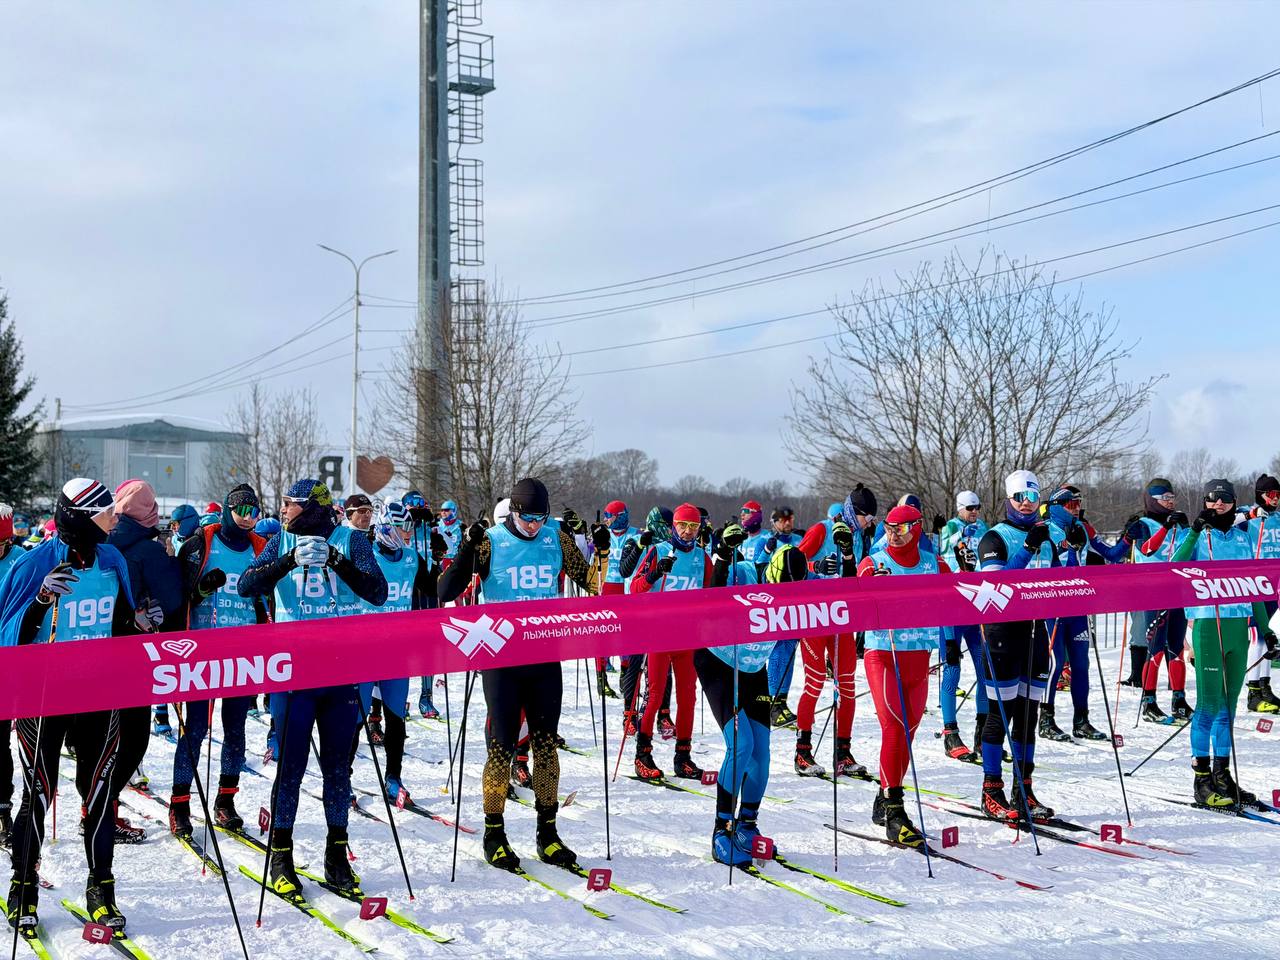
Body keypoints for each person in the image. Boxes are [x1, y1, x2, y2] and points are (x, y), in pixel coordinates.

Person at [0, 479, 163, 936]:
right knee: (38, 792)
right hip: (45, 696)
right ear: (80, 517)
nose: (114, 518)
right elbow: (8, 634)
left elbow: (119, 622)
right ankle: (23, 887)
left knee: (100, 792)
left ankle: (101, 888)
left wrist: (140, 624)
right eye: (105, 512)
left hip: (97, 693)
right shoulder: (35, 563)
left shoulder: (112, 560)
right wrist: (40, 600)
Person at [237, 478, 387, 898]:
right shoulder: (280, 537)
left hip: (341, 671)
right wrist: (286, 562)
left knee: (338, 769)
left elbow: (378, 592)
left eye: (291, 503)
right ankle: (281, 856)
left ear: (313, 508)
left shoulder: (352, 539)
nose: (283, 509)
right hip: (293, 672)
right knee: (291, 766)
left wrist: (336, 560)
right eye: (283, 503)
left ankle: (336, 855)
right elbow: (248, 585)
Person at [438, 477, 593, 872]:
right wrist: (467, 549)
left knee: (545, 748)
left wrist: (599, 549)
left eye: (541, 519)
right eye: (527, 520)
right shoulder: (490, 539)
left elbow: (590, 583)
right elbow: (445, 590)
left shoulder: (555, 538)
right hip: (501, 659)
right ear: (514, 512)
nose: (533, 527)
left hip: (544, 659)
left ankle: (548, 834)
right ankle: (494, 833)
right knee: (501, 748)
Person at [168, 484, 269, 838]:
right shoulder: (200, 544)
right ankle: (180, 803)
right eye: (241, 510)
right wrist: (198, 593)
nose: (247, 518)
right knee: (195, 729)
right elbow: (176, 595)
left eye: (254, 512)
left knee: (236, 729)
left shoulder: (260, 548)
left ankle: (226, 801)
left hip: (242, 652)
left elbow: (268, 596)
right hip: (202, 652)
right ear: (227, 509)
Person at [1172, 479, 1280, 808]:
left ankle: (1222, 774)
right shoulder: (1199, 536)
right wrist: (1193, 531)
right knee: (1207, 705)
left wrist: (1266, 630)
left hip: (1237, 627)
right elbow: (1174, 565)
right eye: (1211, 500)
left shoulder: (1243, 536)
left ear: (1234, 503)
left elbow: (1256, 588)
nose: (1217, 505)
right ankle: (1201, 779)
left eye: (1224, 500)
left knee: (1228, 708)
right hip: (1208, 625)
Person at [859, 504, 952, 845]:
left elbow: (956, 597)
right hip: (884, 655)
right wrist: (870, 586)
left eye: (900, 528)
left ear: (917, 527)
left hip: (918, 659)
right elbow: (858, 588)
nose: (893, 534)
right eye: (888, 527)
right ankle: (896, 811)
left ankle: (884, 797)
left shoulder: (933, 564)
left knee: (908, 734)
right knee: (893, 729)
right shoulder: (876, 561)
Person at [975, 470, 1061, 823]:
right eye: (1019, 497)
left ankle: (1022, 789)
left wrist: (1068, 551)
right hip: (1001, 634)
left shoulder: (1050, 535)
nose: (1026, 503)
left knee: (1029, 715)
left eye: (1032, 496)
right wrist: (1027, 549)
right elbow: (999, 587)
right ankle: (991, 790)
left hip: (1037, 632)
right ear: (1007, 500)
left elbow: (1063, 580)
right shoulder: (995, 538)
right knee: (1001, 715)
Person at [106, 480, 183, 843]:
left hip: (95, 652)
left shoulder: (102, 538)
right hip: (135, 653)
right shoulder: (148, 551)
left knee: (102, 741)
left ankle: (98, 808)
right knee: (134, 740)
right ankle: (103, 811)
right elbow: (173, 602)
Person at [697, 527, 778, 866]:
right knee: (741, 744)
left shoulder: (799, 593)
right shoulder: (741, 574)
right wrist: (719, 554)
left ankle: (748, 824)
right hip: (718, 660)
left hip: (752, 666)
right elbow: (711, 599)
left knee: (762, 751)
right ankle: (721, 830)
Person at [352, 500, 439, 803]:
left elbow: (437, 590)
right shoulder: (365, 554)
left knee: (396, 718)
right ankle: (343, 777)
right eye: (404, 528)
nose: (409, 534)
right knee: (357, 717)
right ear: (388, 527)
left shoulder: (413, 558)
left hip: (396, 652)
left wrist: (440, 564)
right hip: (363, 650)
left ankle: (393, 778)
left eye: (411, 528)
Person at [627, 503, 707, 782]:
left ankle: (683, 757)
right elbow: (634, 589)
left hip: (688, 638)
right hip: (660, 635)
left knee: (688, 698)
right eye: (682, 525)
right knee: (655, 696)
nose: (687, 531)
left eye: (693, 527)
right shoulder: (659, 551)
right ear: (673, 526)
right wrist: (654, 574)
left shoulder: (701, 556)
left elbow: (711, 593)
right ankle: (643, 754)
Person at [790, 509, 863, 777]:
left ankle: (843, 753)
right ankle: (802, 752)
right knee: (815, 681)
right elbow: (792, 562)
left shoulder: (857, 537)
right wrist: (814, 567)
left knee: (847, 683)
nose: (867, 523)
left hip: (841, 616)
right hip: (814, 615)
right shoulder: (821, 529)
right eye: (865, 516)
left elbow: (852, 578)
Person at [1037, 485, 1108, 742]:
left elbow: (1107, 554)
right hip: (1053, 606)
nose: (1076, 508)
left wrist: (1127, 540)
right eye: (1070, 504)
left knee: (1081, 664)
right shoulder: (1044, 528)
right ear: (1057, 506)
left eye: (1078, 503)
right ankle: (1045, 720)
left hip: (1078, 606)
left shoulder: (1082, 529)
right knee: (1054, 663)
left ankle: (1082, 720)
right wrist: (1067, 544)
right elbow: (1050, 560)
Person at [1122, 479, 1193, 721]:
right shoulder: (1142, 524)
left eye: (1172, 498)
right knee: (1156, 649)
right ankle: (1148, 702)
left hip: (1177, 592)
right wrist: (1165, 528)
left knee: (1177, 648)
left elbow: (1190, 554)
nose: (1170, 502)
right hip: (1152, 593)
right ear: (1152, 500)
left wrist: (1189, 531)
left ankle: (1179, 700)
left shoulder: (1176, 526)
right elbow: (1148, 550)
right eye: (1165, 498)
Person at [935, 490, 990, 761]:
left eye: (978, 507)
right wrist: (958, 538)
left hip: (975, 609)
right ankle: (950, 733)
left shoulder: (983, 528)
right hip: (951, 611)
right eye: (970, 508)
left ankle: (982, 733)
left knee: (984, 671)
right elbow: (945, 558)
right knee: (952, 670)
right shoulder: (951, 529)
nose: (975, 512)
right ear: (959, 508)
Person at [1239, 474, 1280, 713]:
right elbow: (1227, 522)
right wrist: (1251, 515)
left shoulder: (1277, 519)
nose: (1275, 500)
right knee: (1258, 636)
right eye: (1271, 495)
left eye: (1278, 495)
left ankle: (1265, 687)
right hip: (1254, 584)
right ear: (1259, 495)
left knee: (1270, 636)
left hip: (1274, 585)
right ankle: (1253, 691)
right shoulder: (1249, 515)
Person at [761, 506, 802, 725]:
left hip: (793, 601)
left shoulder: (798, 539)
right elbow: (760, 568)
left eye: (790, 519)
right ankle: (771, 703)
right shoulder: (767, 541)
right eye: (783, 520)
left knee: (789, 652)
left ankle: (781, 702)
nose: (788, 523)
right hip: (773, 601)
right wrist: (767, 552)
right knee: (777, 653)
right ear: (774, 521)